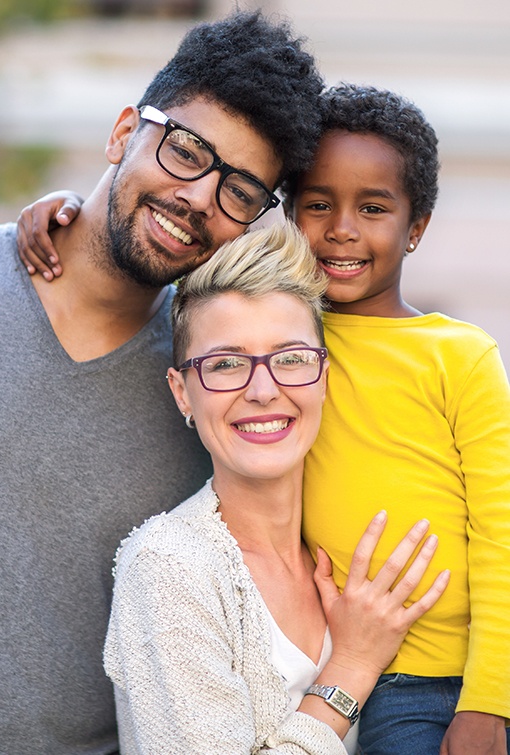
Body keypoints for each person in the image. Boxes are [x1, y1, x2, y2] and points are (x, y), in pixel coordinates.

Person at [0, 12, 326, 754]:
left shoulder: (218, 385)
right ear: (121, 134)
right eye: (187, 151)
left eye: (240, 190)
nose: (201, 197)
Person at [103, 219, 450, 754]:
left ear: (325, 376)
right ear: (182, 393)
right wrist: (352, 667)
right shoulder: (169, 566)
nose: (264, 390)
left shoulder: (355, 543)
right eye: (224, 364)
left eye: (290, 359)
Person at [289, 84, 510, 754]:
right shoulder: (280, 343)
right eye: (317, 204)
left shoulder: (460, 354)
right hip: (376, 676)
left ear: (416, 227)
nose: (342, 228)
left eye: (374, 207)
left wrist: (488, 704)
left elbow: (502, 528)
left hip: (463, 676)